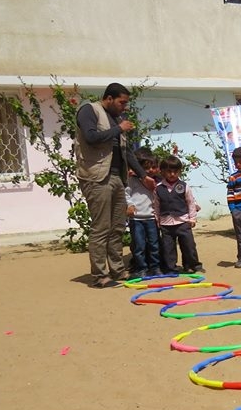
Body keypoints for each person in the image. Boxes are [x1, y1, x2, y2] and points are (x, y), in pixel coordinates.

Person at [74, 82, 155, 288]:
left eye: (126, 103)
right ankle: (100, 275)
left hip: (118, 178)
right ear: (109, 98)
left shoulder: (117, 118)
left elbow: (127, 152)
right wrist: (119, 128)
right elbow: (91, 137)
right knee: (101, 227)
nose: (124, 107)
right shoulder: (88, 110)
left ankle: (118, 270)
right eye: (122, 102)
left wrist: (143, 175)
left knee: (118, 227)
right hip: (97, 177)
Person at [153, 155, 205, 274]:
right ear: (162, 172)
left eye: (175, 171)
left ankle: (192, 265)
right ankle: (171, 268)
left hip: (183, 221)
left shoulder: (184, 186)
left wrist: (192, 219)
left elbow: (191, 203)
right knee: (168, 248)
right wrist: (157, 220)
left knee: (188, 245)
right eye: (169, 171)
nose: (172, 174)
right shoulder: (158, 188)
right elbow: (156, 205)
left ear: (179, 171)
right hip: (166, 224)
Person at [125, 147, 162, 277]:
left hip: (152, 218)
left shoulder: (158, 182)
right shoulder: (131, 180)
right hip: (137, 219)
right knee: (139, 245)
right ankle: (141, 268)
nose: (150, 171)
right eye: (146, 168)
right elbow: (126, 194)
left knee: (154, 244)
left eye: (153, 167)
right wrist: (129, 205)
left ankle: (155, 267)